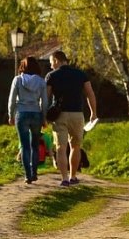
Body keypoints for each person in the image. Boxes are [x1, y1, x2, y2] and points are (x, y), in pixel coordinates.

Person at [45, 50, 97, 187]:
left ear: (56, 60)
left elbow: (45, 98)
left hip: (59, 115)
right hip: (77, 114)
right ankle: (73, 176)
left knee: (61, 148)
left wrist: (44, 116)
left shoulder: (51, 76)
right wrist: (93, 113)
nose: (51, 66)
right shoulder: (80, 74)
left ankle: (64, 179)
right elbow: (90, 94)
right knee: (76, 146)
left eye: (51, 63)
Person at [8, 56, 48, 184]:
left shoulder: (18, 80)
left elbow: (12, 99)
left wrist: (10, 115)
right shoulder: (41, 82)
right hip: (36, 113)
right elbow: (45, 101)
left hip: (22, 113)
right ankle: (34, 172)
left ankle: (27, 175)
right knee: (35, 145)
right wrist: (44, 117)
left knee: (25, 146)